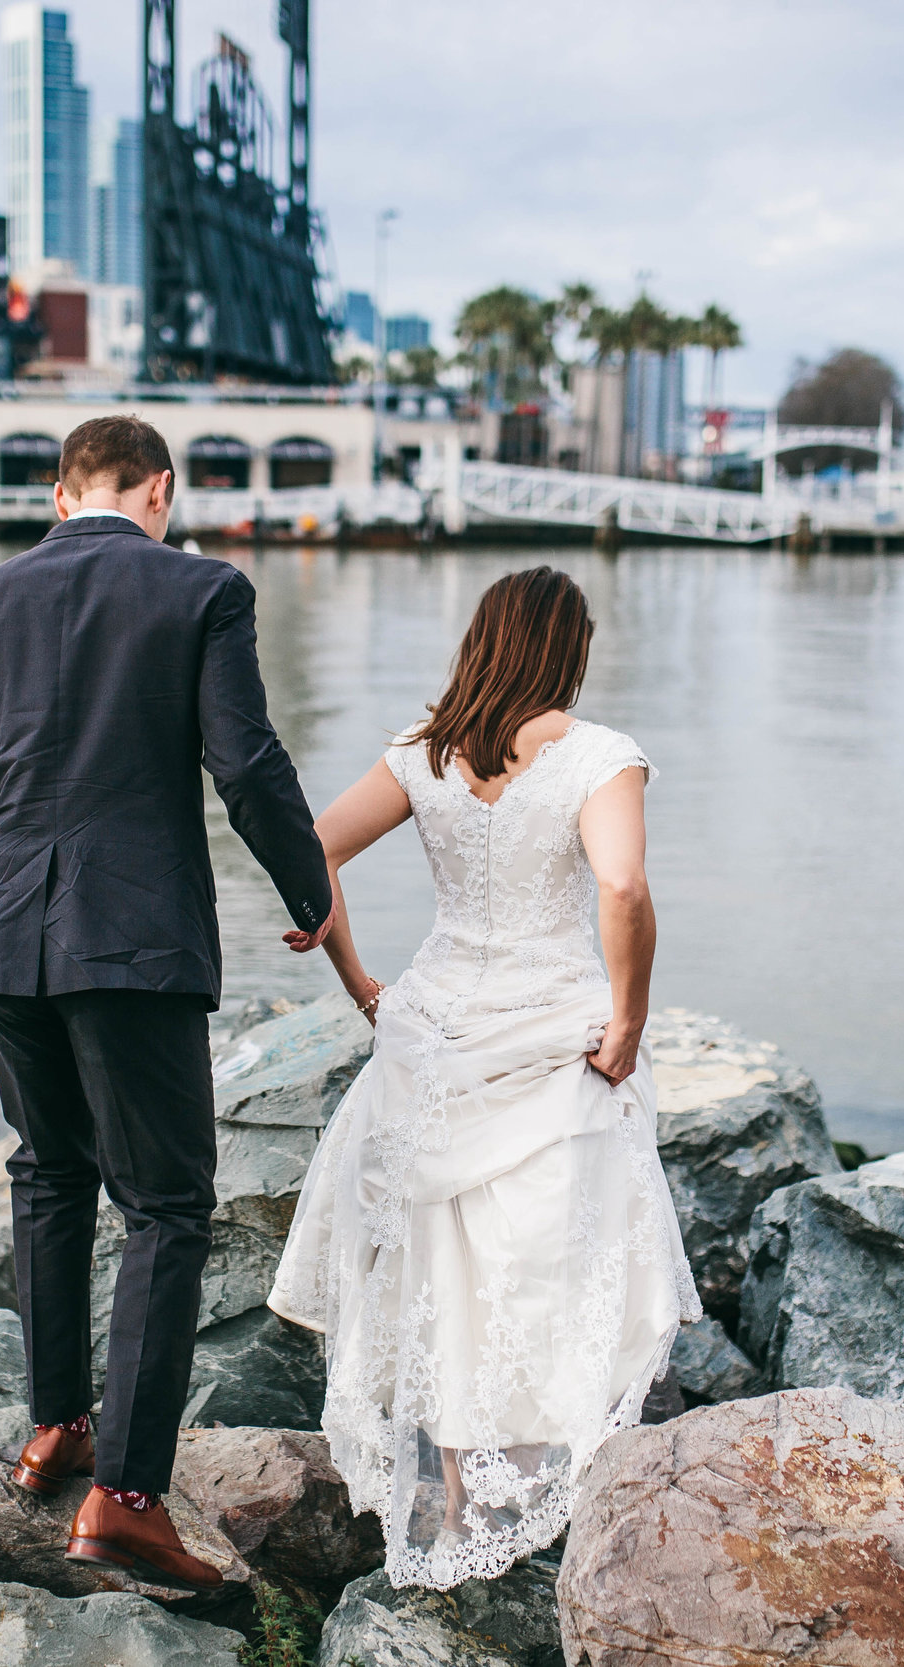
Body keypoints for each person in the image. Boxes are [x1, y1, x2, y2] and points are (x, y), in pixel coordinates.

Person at [0, 414, 331, 1592]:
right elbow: (244, 761)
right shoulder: (202, 591)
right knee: (167, 1205)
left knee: (48, 1172)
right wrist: (312, 887)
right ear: (160, 491)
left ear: (58, 494)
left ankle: (55, 1425)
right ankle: (129, 1500)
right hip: (131, 938)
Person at [267, 566, 698, 1590]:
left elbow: (309, 850)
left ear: (483, 640)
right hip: (553, 1036)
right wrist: (629, 1016)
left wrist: (361, 980)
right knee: (546, 1261)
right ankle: (548, 1482)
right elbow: (623, 883)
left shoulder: (422, 756)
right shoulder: (600, 756)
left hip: (428, 1027)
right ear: (570, 650)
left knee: (446, 1273)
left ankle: (462, 1497)